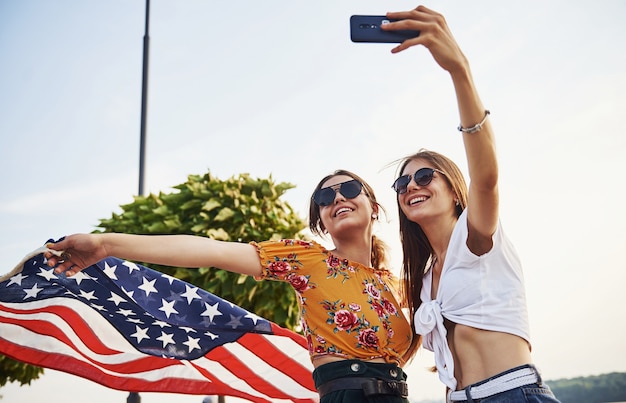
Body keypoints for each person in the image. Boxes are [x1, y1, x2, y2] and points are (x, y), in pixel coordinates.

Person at [45, 169, 419, 403]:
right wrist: (106, 244)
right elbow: (209, 250)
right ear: (320, 220)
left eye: (349, 188)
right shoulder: (308, 260)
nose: (337, 197)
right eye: (324, 197)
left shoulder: (397, 285)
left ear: (374, 206)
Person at [382, 5, 560, 403]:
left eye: (425, 176)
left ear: (455, 191)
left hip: (510, 394)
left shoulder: (477, 237)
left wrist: (458, 69)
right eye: (402, 181)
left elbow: (487, 177)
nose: (412, 185)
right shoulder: (424, 278)